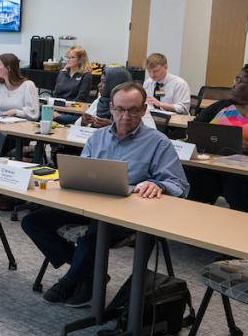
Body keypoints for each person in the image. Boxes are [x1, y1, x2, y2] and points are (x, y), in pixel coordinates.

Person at [21, 83, 189, 307]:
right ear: (111, 107)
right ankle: (89, 273)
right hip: (89, 205)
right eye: (120, 109)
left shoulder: (158, 142)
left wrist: (158, 184)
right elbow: (83, 170)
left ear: (143, 110)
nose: (126, 116)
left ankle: (71, 280)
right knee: (32, 222)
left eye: (133, 110)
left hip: (126, 215)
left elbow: (180, 185)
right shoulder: (98, 137)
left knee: (94, 234)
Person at [188, 64, 248, 211]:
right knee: (189, 173)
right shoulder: (223, 106)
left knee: (236, 184)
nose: (233, 84)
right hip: (211, 164)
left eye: (238, 80)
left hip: (247, 172)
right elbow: (196, 127)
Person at [78, 67, 153, 129]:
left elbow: (149, 136)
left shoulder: (136, 105)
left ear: (115, 84)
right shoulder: (100, 101)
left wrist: (115, 127)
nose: (99, 85)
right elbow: (76, 126)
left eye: (104, 82)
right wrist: (83, 122)